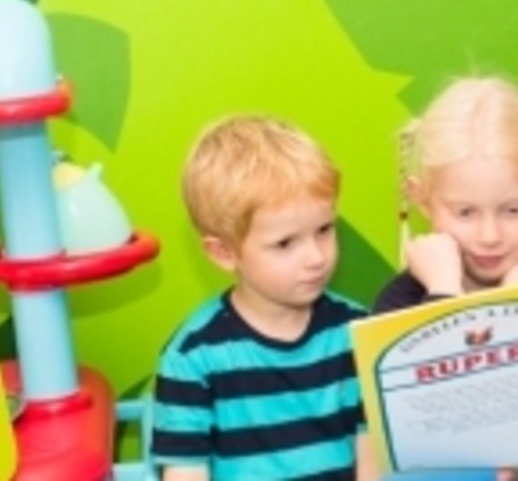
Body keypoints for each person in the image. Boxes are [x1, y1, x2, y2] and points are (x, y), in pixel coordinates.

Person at [151, 114, 377, 481]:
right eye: (285, 243)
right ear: (224, 252)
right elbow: (185, 470)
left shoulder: (359, 331)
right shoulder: (193, 357)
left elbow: (373, 450)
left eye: (324, 230)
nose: (317, 257)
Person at [372, 75, 518, 314]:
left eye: (513, 210)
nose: (490, 237)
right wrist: (444, 292)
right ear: (422, 200)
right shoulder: (399, 305)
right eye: (465, 212)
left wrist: (516, 296)